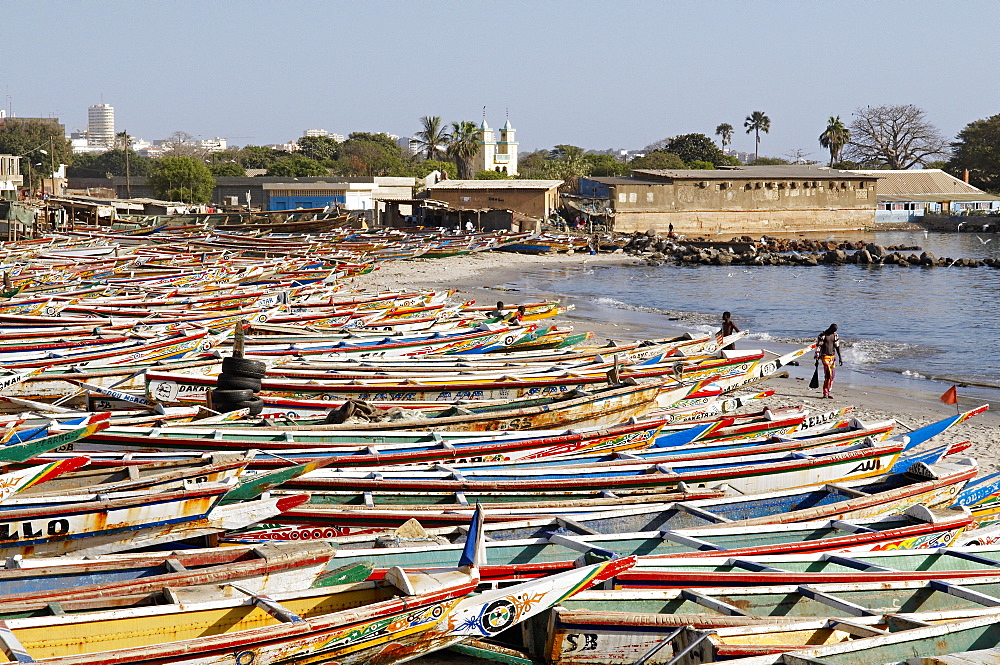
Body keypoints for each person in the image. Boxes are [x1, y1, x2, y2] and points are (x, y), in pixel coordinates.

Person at [815, 324, 843, 398]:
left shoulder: (835, 335)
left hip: (832, 357)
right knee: (828, 374)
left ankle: (828, 392)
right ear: (830, 328)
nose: (833, 332)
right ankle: (825, 392)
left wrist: (840, 357)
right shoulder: (822, 335)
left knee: (832, 375)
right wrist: (817, 357)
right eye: (833, 330)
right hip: (825, 356)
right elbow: (819, 347)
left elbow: (837, 346)